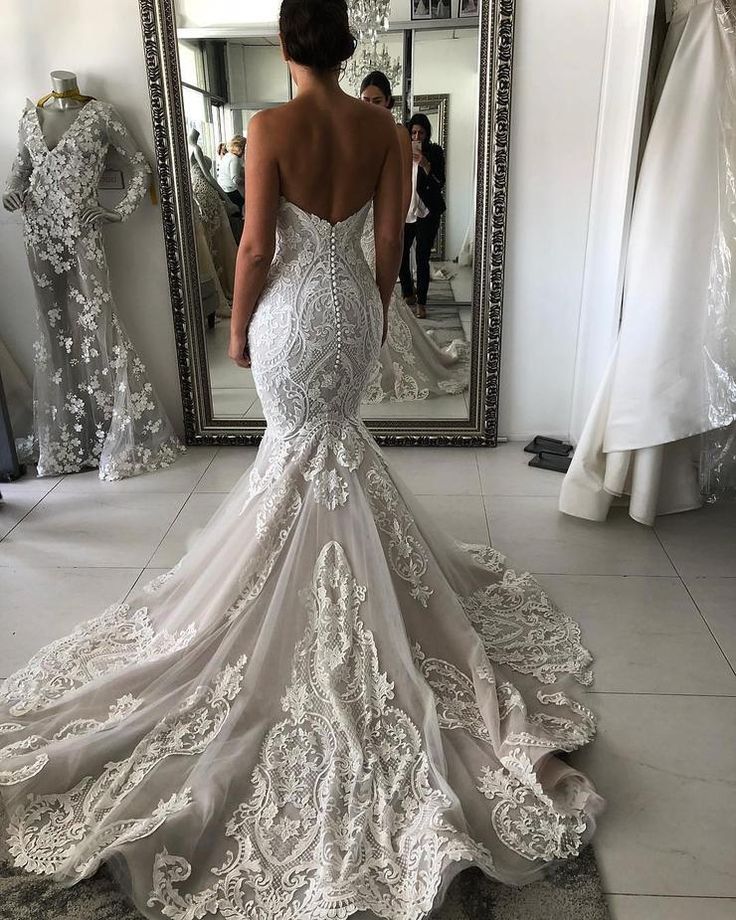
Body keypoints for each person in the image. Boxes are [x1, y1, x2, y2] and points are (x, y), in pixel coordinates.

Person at [0, 2, 603, 917]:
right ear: (345, 46)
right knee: (337, 450)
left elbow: (252, 243)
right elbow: (393, 244)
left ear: (287, 45)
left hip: (288, 308)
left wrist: (239, 329)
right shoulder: (386, 130)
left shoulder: (268, 126)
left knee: (294, 454)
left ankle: (284, 588)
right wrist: (362, 312)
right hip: (353, 308)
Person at [359, 70, 469, 401]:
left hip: (386, 215)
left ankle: (392, 348)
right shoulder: (355, 132)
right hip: (358, 220)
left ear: (389, 102)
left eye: (376, 100)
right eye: (364, 100)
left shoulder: (398, 135)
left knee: (385, 284)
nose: (370, 106)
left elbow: (405, 191)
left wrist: (390, 219)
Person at [399, 112, 446, 319]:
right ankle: (408, 291)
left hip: (427, 211)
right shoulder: (401, 152)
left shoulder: (435, 152)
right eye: (413, 133)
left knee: (422, 257)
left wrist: (426, 164)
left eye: (421, 133)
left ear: (427, 134)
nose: (416, 137)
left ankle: (422, 303)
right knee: (400, 253)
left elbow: (439, 183)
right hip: (406, 210)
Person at [217, 135, 246, 211]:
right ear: (240, 148)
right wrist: (247, 181)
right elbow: (235, 180)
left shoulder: (227, 156)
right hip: (232, 193)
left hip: (224, 191)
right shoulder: (235, 159)